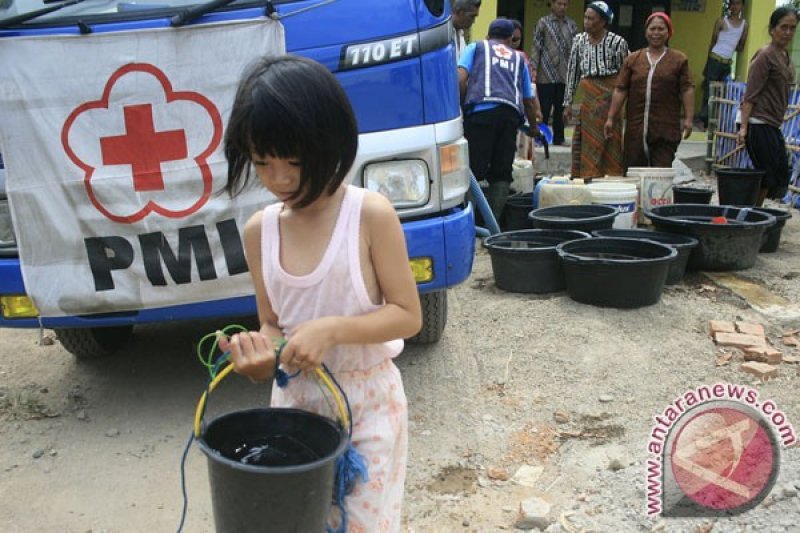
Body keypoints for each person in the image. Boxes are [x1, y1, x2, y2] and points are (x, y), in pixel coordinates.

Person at [220, 55, 422, 532]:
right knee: (297, 523)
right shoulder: (260, 231)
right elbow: (273, 323)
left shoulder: (369, 215)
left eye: (293, 161)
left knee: (360, 525)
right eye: (262, 163)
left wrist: (333, 330)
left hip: (370, 405)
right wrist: (260, 355)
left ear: (330, 141)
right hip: (296, 409)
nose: (280, 179)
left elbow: (407, 315)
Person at [458, 18, 541, 218]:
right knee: (502, 173)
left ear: (488, 36)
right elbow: (529, 100)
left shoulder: (476, 48)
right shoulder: (519, 58)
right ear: (510, 38)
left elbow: (460, 78)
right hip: (509, 116)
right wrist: (534, 128)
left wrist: (463, 106)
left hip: (480, 114)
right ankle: (493, 225)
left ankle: (470, 221)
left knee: (471, 171)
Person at [604, 12, 694, 170]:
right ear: (646, 31)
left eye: (661, 29)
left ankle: (658, 196)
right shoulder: (633, 59)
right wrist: (611, 117)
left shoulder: (679, 60)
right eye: (652, 29)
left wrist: (688, 119)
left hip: (665, 128)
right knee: (634, 171)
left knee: (660, 172)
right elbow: (621, 89)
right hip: (636, 128)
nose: (656, 33)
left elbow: (687, 88)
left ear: (669, 32)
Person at [737, 7, 798, 206]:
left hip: (773, 123)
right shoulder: (765, 56)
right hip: (757, 121)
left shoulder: (785, 57)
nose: (788, 32)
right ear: (772, 29)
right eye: (783, 27)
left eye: (792, 28)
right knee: (767, 172)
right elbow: (750, 94)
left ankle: (755, 211)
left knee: (780, 172)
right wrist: (744, 128)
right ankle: (752, 213)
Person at [563, 1, 629, 179]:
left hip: (611, 97)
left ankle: (611, 175)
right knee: (587, 139)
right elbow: (573, 72)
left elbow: (625, 75)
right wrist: (567, 103)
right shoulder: (579, 41)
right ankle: (588, 175)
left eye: (591, 19)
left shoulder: (617, 43)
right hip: (589, 98)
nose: (587, 22)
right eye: (585, 17)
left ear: (603, 21)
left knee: (611, 137)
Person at [530, 0, 577, 146]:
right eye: (559, 3)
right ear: (552, 4)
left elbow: (575, 50)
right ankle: (540, 137)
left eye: (565, 4)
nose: (562, 7)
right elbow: (536, 47)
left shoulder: (572, 25)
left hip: (564, 74)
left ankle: (559, 138)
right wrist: (533, 69)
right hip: (545, 74)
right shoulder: (543, 23)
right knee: (543, 107)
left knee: (560, 109)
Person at [698, 0, 748, 130]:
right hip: (714, 59)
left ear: (742, 6)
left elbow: (741, 46)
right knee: (709, 91)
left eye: (738, 4)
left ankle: (718, 121)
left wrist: (731, 45)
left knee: (725, 92)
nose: (735, 6)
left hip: (727, 63)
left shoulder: (744, 25)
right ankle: (704, 121)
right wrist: (707, 63)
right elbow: (713, 42)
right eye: (732, 4)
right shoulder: (721, 21)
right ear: (729, 6)